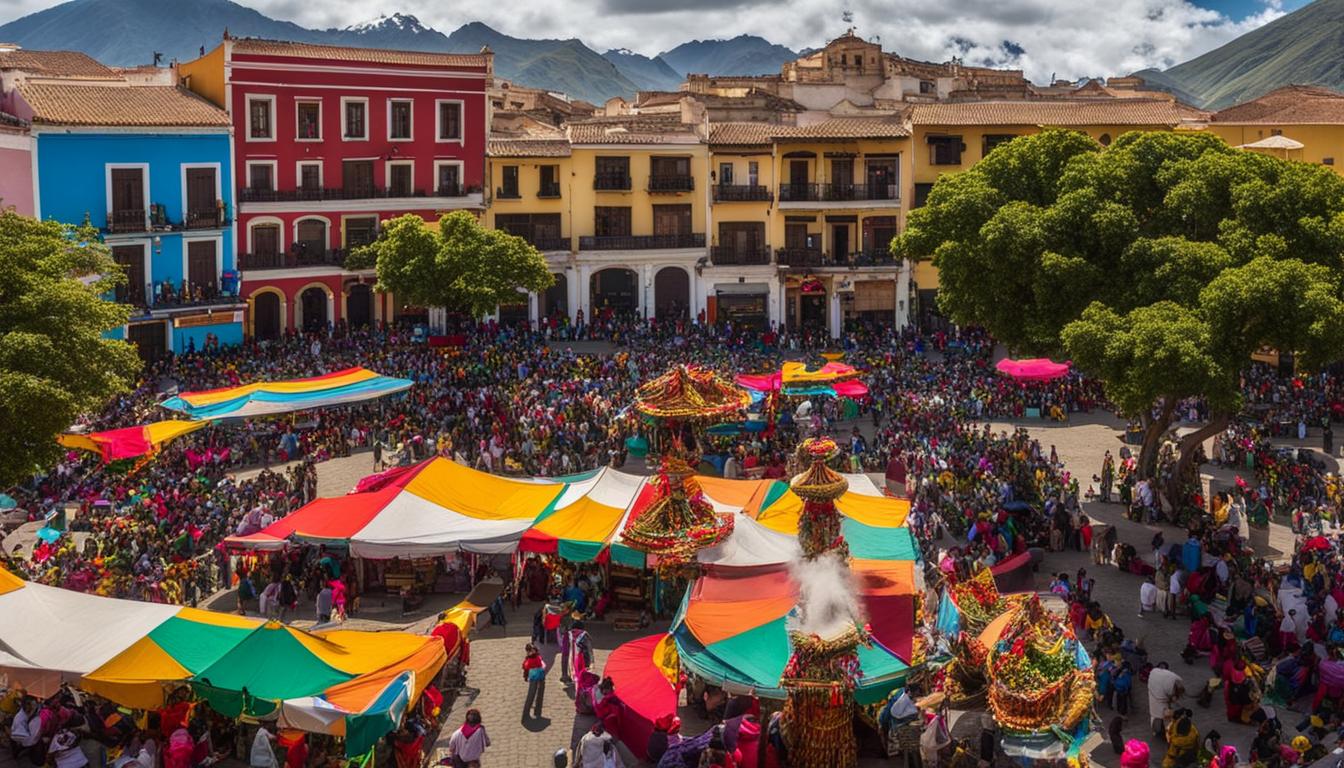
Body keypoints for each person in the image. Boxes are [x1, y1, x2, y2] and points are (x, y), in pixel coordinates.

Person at [1148, 664, 1186, 739]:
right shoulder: (1169, 681)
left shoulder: (1158, 675)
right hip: (1159, 702)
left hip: (1160, 703)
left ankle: (1161, 732)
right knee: (1160, 719)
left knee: (1162, 719)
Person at [523, 642, 547, 720]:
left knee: (539, 693)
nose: (532, 652)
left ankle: (537, 711)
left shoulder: (536, 656)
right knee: (532, 694)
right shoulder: (529, 659)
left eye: (533, 650)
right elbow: (525, 667)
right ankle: (527, 713)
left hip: (539, 676)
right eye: (530, 651)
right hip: (534, 678)